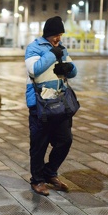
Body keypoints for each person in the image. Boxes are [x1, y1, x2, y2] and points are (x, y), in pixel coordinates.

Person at [24, 16, 78, 196]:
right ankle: (37, 180)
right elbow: (34, 69)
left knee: (65, 139)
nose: (58, 38)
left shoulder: (61, 48)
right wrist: (52, 54)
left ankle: (50, 172)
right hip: (41, 104)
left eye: (60, 35)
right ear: (48, 34)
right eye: (56, 35)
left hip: (60, 103)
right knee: (39, 144)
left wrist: (68, 68)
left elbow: (74, 71)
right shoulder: (33, 48)